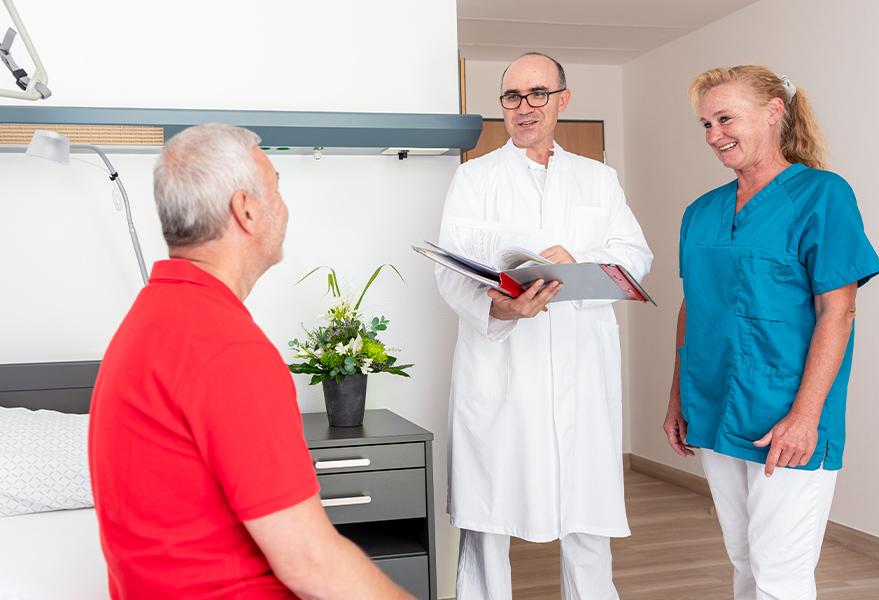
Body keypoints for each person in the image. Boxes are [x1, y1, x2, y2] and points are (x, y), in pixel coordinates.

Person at [89, 123, 414, 600]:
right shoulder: (228, 350)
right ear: (245, 210)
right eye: (276, 188)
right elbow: (311, 562)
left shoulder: (147, 320)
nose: (283, 205)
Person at [436, 52, 653, 600]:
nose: (524, 107)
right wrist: (502, 309)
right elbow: (454, 274)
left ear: (563, 99)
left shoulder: (599, 179)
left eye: (537, 94)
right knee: (488, 514)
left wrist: (573, 261)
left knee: (587, 514)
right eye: (512, 97)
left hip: (580, 363)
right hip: (504, 365)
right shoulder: (474, 178)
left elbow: (634, 258)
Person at [664, 65, 879, 600]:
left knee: (780, 571)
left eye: (725, 119)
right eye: (706, 124)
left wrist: (805, 416)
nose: (715, 135)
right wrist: (678, 396)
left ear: (773, 113)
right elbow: (694, 306)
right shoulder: (701, 211)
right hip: (713, 404)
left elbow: (839, 312)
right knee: (744, 560)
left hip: (786, 412)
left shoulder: (822, 196)